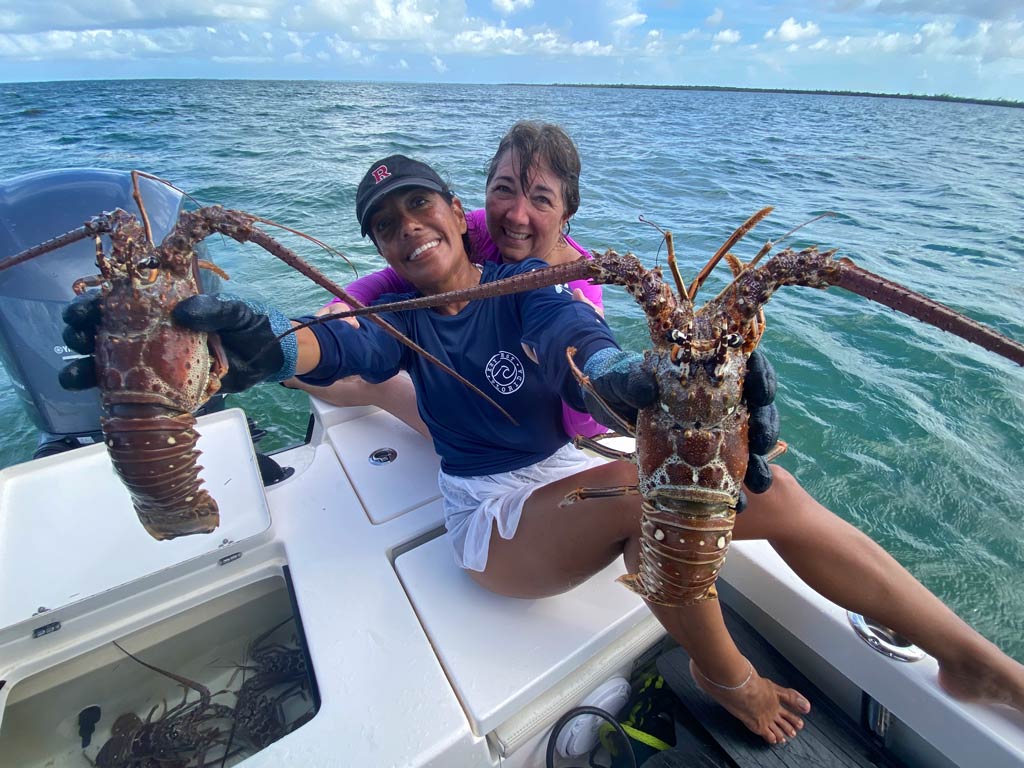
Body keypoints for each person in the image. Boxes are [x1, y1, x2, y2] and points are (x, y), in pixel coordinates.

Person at [61, 154, 1024, 745]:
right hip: (495, 522)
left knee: (771, 489)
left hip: (564, 474)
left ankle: (972, 661)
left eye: (418, 206)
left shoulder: (525, 284)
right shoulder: (388, 312)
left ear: (454, 214)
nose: (405, 227)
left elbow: (586, 351)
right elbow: (322, 340)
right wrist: (266, 343)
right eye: (384, 223)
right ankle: (727, 680)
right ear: (380, 247)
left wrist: (640, 383)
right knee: (651, 490)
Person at [284, 121, 605, 443]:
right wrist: (342, 305)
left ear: (567, 212)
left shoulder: (581, 283)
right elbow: (392, 278)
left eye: (542, 199)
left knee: (383, 385)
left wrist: (586, 372)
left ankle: (293, 375)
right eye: (504, 189)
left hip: (514, 429)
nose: (516, 216)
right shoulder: (480, 228)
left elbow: (584, 429)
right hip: (471, 367)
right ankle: (288, 365)